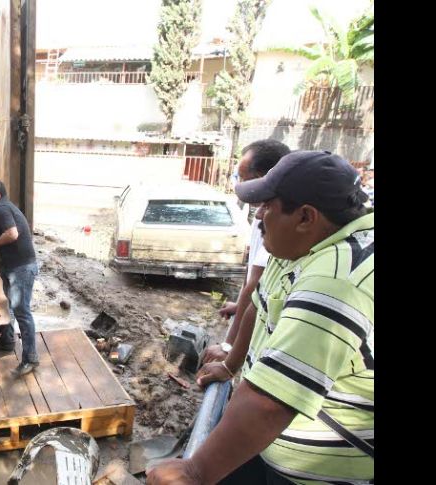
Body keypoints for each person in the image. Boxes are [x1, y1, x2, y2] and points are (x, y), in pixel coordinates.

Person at [148, 151, 373, 484]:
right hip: (267, 447)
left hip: (318, 475)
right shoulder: (300, 248)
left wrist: (196, 472)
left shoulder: (335, 282)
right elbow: (258, 304)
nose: (258, 218)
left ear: (305, 218)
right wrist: (230, 363)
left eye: (267, 206)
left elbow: (270, 404)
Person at [201, 140, 291, 373]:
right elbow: (251, 280)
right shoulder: (264, 214)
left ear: (263, 177)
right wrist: (239, 304)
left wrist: (228, 347)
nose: (237, 184)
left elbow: (255, 285)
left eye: (242, 177)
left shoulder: (277, 222)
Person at [0, 178, 39, 377]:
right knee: (8, 306)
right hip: (14, 266)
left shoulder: (1, 209)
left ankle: (30, 359)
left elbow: (12, 234)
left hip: (21, 268)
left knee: (22, 312)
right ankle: (7, 341)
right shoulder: (2, 208)